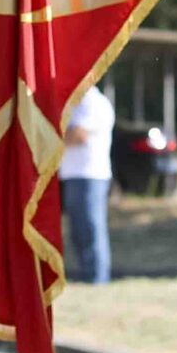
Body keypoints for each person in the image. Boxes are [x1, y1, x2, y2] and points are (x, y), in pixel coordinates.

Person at [60, 82, 114, 285]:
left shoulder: (92, 102)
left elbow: (78, 135)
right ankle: (87, 274)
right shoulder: (76, 103)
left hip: (90, 174)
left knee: (91, 227)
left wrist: (50, 139)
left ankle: (97, 277)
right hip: (74, 174)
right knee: (79, 230)